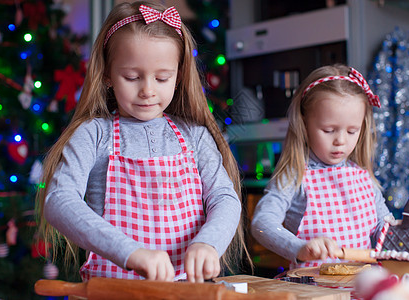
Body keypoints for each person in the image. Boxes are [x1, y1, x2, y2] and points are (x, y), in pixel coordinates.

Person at [36, 1, 250, 282]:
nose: (148, 90)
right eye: (132, 77)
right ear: (108, 75)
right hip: (115, 290)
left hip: (185, 289)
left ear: (179, 77)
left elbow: (224, 198)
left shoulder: (194, 135)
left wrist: (208, 243)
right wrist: (131, 253)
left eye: (162, 78)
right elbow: (59, 200)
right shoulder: (93, 134)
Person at [251, 64, 391, 270]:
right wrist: (299, 248)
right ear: (304, 123)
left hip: (362, 289)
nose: (340, 141)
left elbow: (384, 227)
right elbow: (262, 223)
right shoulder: (295, 176)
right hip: (313, 291)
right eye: (328, 130)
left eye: (352, 131)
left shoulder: (364, 178)